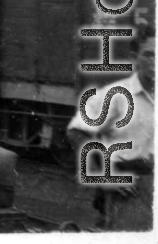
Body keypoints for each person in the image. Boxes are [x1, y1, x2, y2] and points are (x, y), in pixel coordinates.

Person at [66, 28, 154, 231]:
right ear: (135, 58)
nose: (155, 61)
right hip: (130, 191)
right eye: (149, 54)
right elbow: (76, 132)